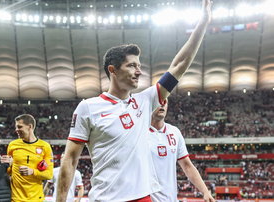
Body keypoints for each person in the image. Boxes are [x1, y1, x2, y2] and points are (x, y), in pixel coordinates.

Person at [57, 0, 212, 201]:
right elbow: (69, 160)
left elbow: (179, 65)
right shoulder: (88, 107)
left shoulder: (145, 101)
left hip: (142, 197)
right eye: (131, 66)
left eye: (139, 65)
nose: (139, 71)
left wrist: (203, 24)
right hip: (105, 198)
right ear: (112, 70)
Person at [148, 102, 215, 202]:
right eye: (158, 101)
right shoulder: (138, 132)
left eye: (165, 101)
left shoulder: (175, 132)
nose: (162, 104)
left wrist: (205, 191)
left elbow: (187, 166)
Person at [7, 114, 54, 202]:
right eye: (16, 127)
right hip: (15, 199)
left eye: (19, 127)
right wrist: (8, 165)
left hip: (36, 199)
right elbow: (9, 172)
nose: (16, 130)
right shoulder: (12, 145)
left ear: (30, 127)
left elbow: (49, 175)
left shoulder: (45, 147)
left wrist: (32, 171)